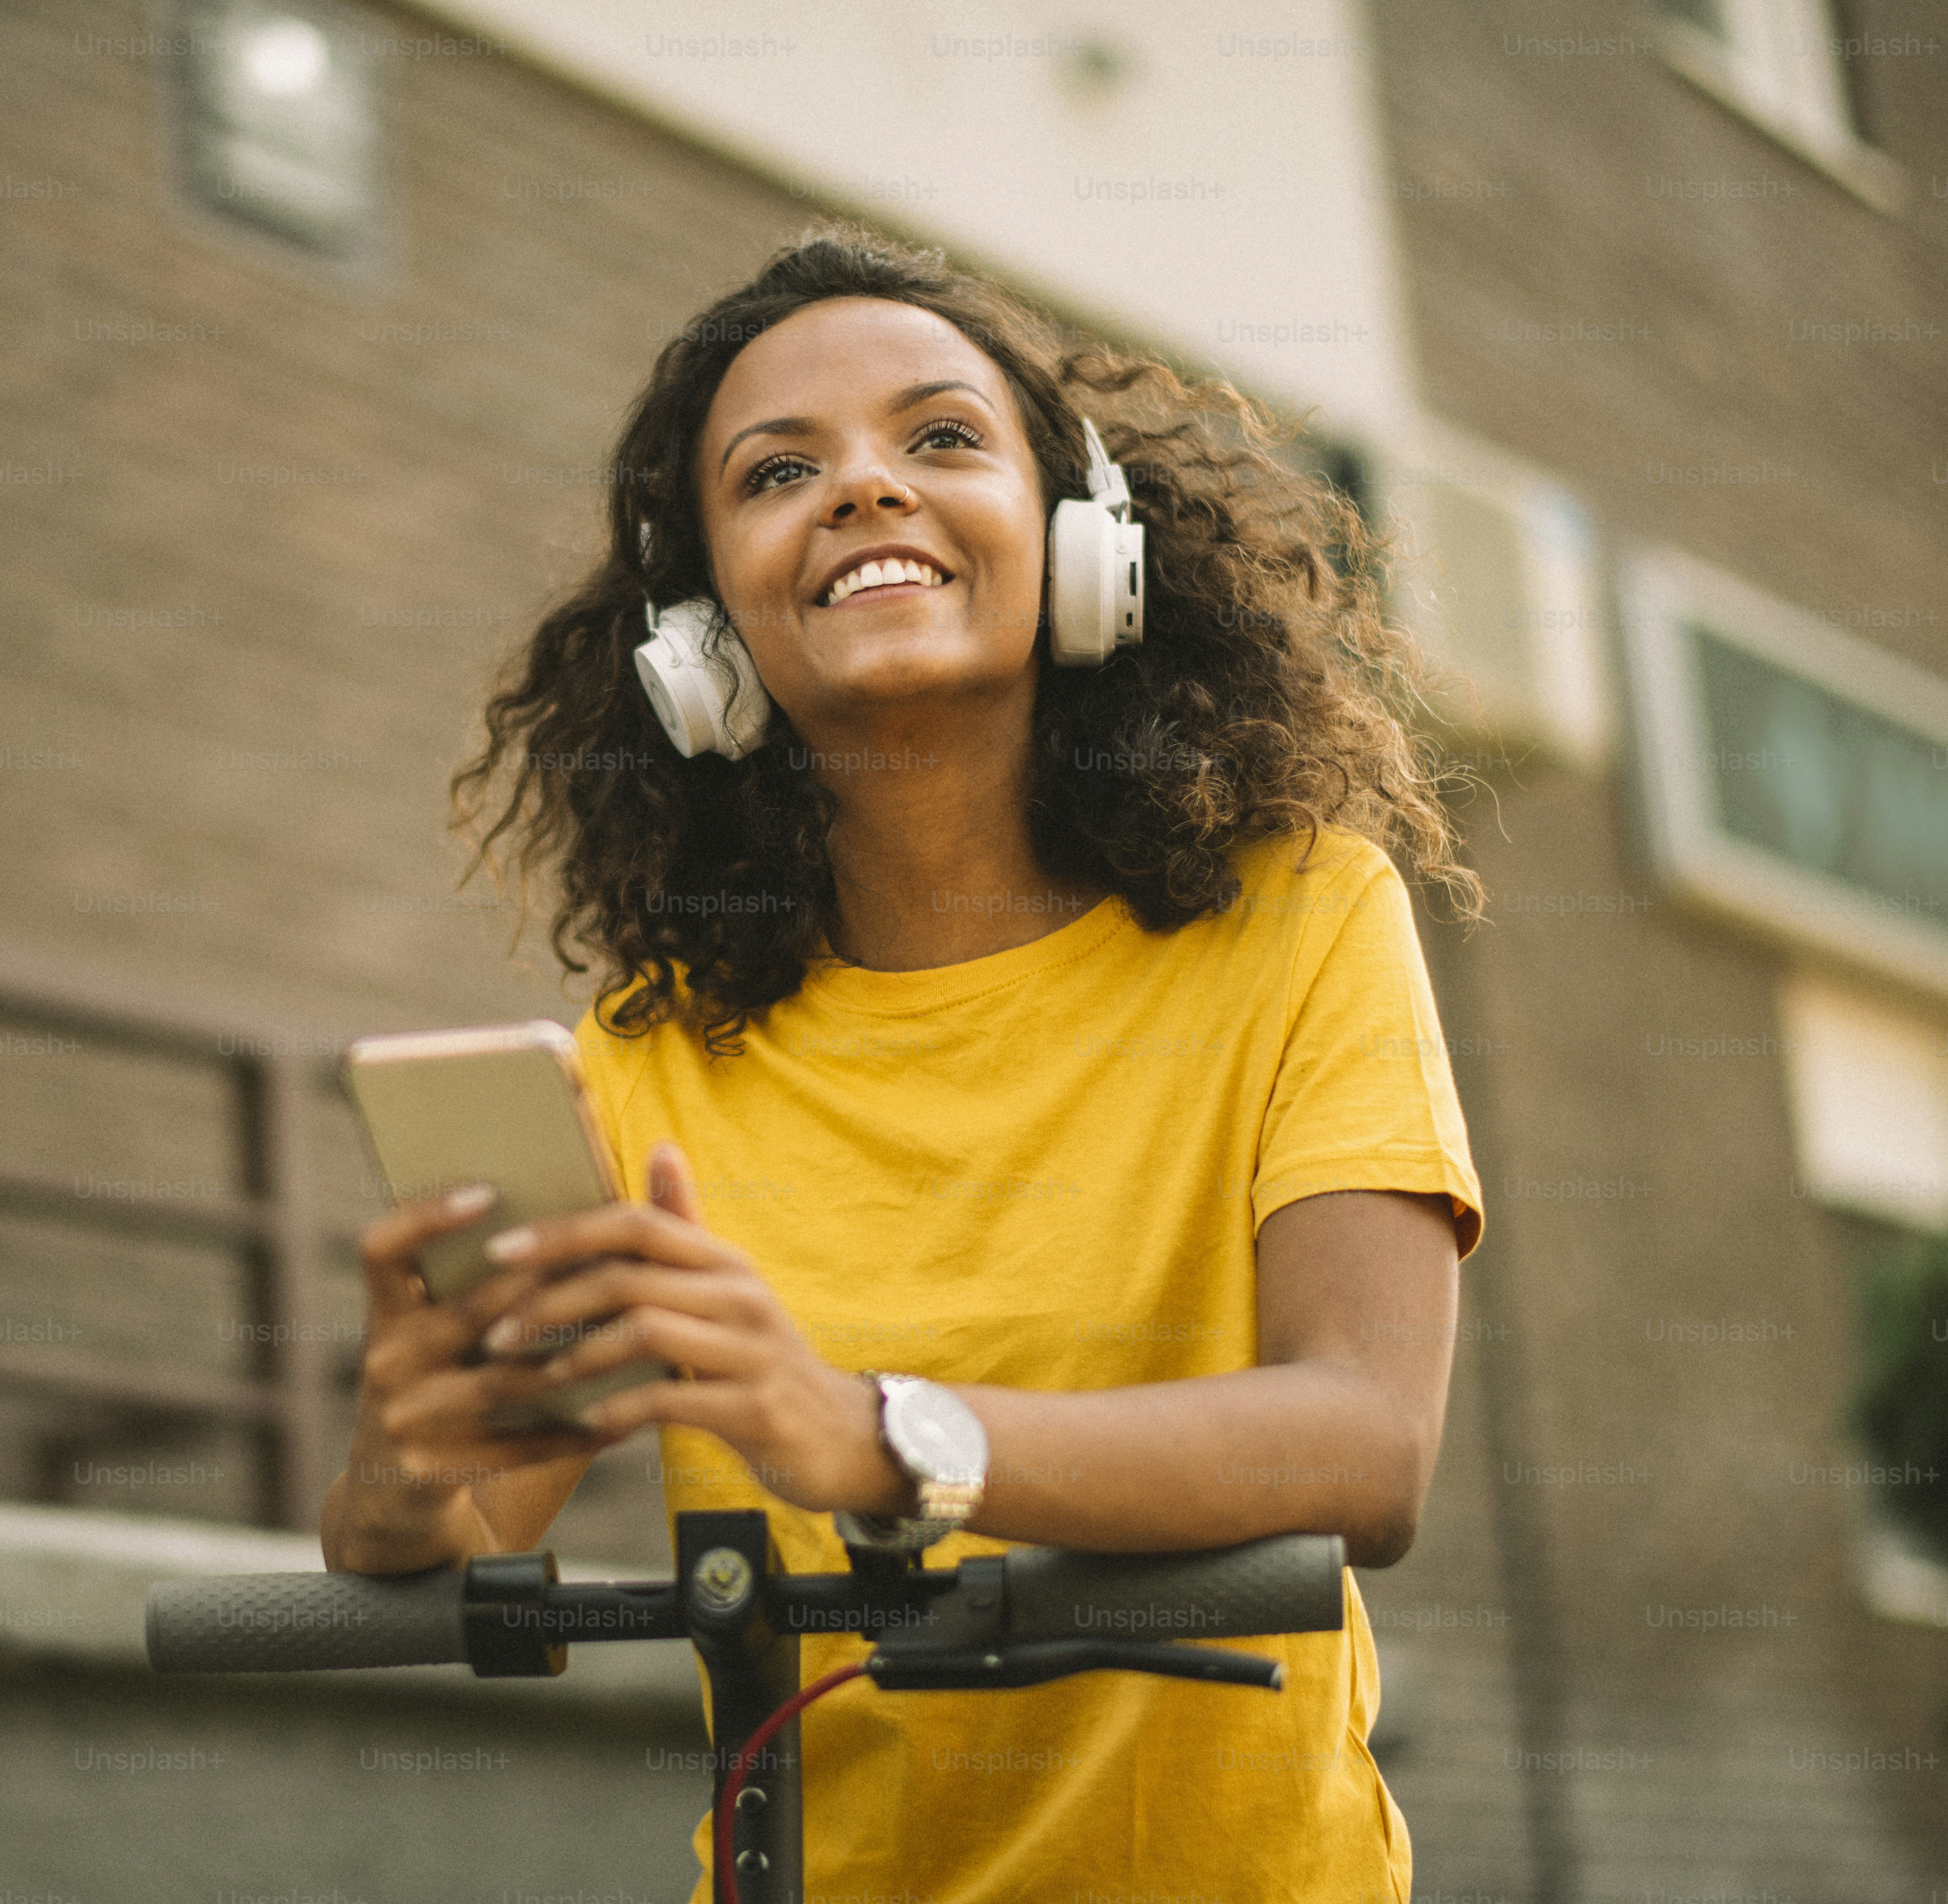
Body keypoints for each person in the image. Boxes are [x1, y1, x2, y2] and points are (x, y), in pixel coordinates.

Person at [319, 222, 1486, 1904]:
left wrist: (877, 1435)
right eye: (778, 471)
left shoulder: (1300, 917)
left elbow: (1365, 1437)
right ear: (698, 635)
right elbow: (447, 1540)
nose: (866, 487)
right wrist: (401, 1464)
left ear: (1082, 543)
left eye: (941, 438)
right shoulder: (646, 1061)